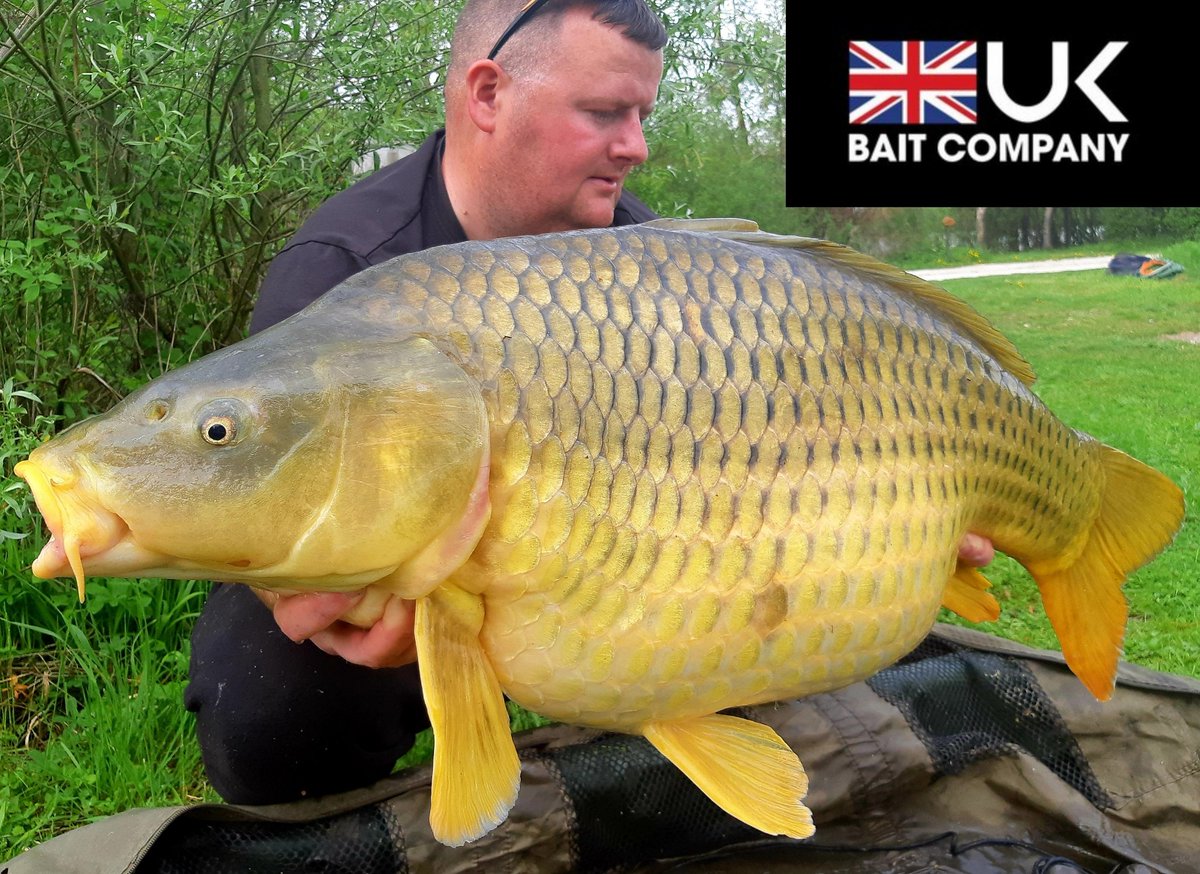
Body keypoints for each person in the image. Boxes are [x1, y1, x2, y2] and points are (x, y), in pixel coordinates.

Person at [185, 0, 996, 805]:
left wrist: (894, 511)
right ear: (488, 94)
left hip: (601, 562)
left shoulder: (653, 261)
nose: (637, 147)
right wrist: (292, 594)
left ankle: (647, 728)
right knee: (267, 703)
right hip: (411, 582)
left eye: (642, 114)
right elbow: (261, 480)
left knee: (774, 606)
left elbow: (749, 454)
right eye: (605, 112)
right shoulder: (344, 263)